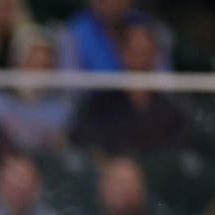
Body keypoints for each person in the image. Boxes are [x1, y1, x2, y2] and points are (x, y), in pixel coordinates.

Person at [72, 24, 185, 157]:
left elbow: (173, 154)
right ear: (122, 53)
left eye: (146, 52)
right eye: (136, 52)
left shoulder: (169, 110)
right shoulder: (98, 104)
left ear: (154, 56)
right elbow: (87, 146)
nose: (141, 59)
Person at [0, 25, 74, 153]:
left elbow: (60, 148)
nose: (39, 62)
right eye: (31, 57)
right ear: (16, 57)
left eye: (44, 64)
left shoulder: (62, 108)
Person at [55, 0, 172, 72]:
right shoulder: (73, 32)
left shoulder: (147, 26)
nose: (112, 3)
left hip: (143, 106)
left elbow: (162, 79)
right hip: (93, 107)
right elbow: (73, 88)